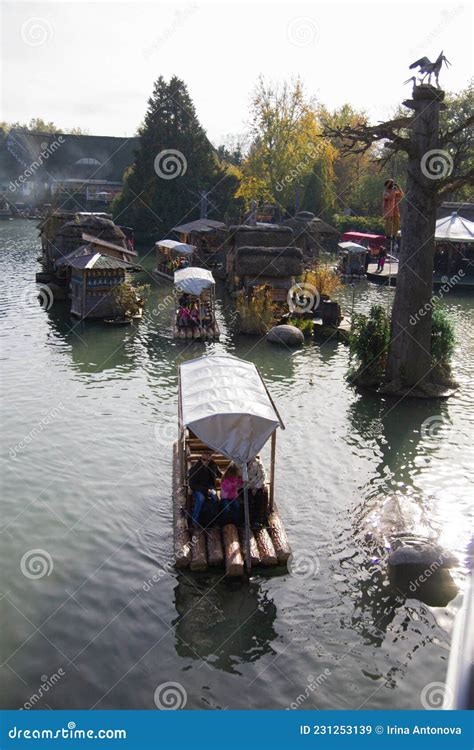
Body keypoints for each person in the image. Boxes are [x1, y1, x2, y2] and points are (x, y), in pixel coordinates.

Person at [188, 450, 222, 527]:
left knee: (215, 498)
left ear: (211, 459)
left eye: (208, 460)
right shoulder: (195, 468)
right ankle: (195, 521)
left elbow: (220, 475)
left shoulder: (213, 465)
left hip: (210, 486)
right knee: (200, 499)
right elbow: (192, 484)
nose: (206, 462)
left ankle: (212, 520)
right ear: (201, 459)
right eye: (204, 460)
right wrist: (205, 490)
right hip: (198, 488)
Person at [247, 454, 268, 526]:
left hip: (255, 487)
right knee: (245, 498)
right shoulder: (238, 463)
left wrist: (255, 487)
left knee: (259, 497)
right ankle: (244, 520)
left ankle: (256, 520)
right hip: (244, 487)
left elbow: (262, 476)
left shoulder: (258, 464)